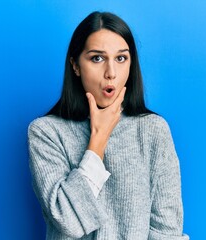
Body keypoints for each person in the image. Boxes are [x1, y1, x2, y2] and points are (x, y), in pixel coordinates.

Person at [28, 11, 189, 240]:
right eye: (97, 58)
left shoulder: (153, 130)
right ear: (75, 65)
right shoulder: (46, 133)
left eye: (121, 58)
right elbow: (68, 220)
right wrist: (98, 140)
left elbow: (166, 230)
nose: (111, 73)